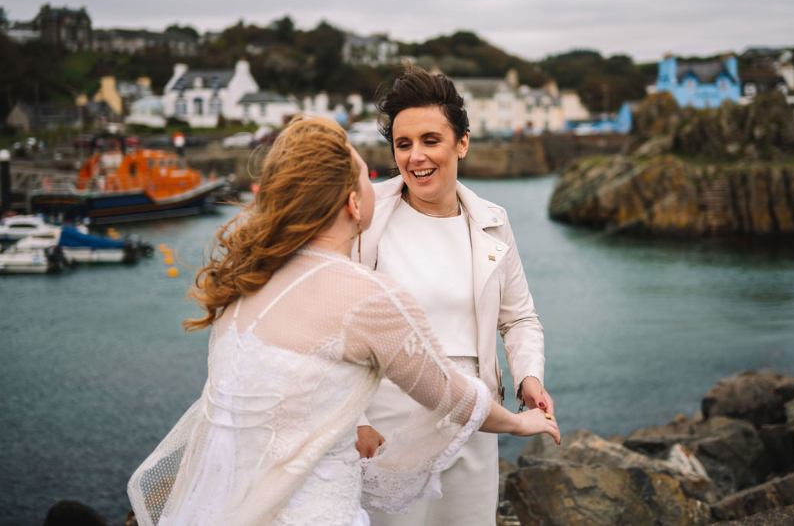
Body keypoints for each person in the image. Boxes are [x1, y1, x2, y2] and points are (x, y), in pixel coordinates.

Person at [127, 117, 559, 526]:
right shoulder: (366, 295)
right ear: (354, 203)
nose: (403, 165)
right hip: (336, 490)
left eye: (430, 140)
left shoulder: (248, 284)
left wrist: (526, 376)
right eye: (368, 176)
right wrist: (521, 423)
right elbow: (448, 393)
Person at [355, 66, 554, 526]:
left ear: (461, 143)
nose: (416, 156)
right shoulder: (366, 217)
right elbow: (333, 329)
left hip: (476, 419)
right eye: (403, 144)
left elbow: (519, 318)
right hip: (387, 426)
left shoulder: (492, 220)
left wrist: (529, 377)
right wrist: (356, 423)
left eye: (430, 140)